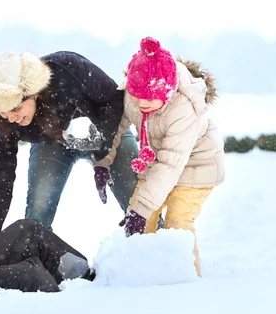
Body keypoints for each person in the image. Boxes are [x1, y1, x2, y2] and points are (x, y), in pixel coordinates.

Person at [0, 50, 139, 247]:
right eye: (2, 112)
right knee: (37, 213)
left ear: (34, 94)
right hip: (53, 143)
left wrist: (103, 151)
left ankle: (155, 250)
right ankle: (40, 260)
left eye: (15, 109)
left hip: (105, 130)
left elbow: (113, 100)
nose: (11, 118)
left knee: (138, 200)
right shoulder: (3, 122)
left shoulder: (67, 69)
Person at [95, 37, 225, 276]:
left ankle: (186, 279)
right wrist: (102, 163)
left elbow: (170, 163)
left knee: (177, 224)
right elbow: (115, 129)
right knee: (139, 225)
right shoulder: (133, 95)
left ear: (167, 91)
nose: (142, 104)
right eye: (137, 96)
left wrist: (141, 210)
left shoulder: (183, 109)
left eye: (149, 98)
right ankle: (139, 276)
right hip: (157, 161)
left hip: (197, 163)